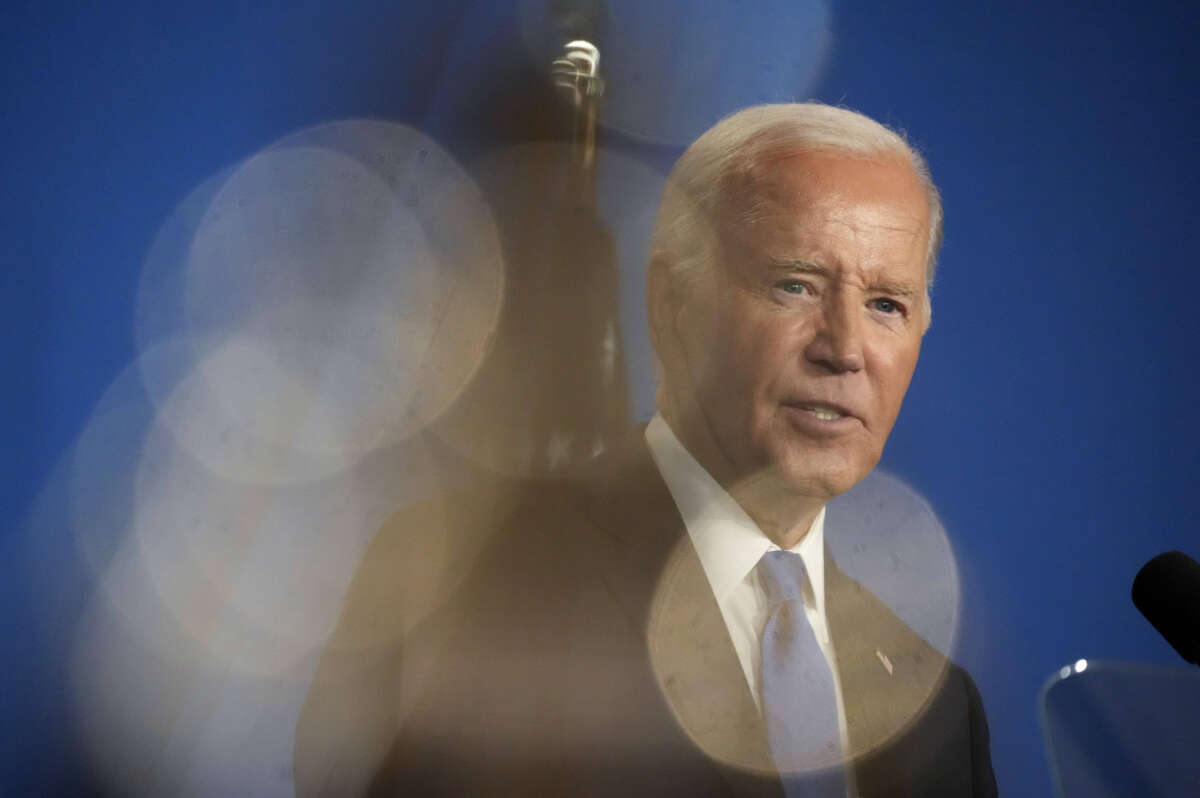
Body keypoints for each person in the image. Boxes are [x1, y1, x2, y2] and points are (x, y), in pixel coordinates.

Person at [295, 103, 997, 797]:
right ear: (671, 303)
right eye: (796, 285)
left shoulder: (939, 710)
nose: (844, 349)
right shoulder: (468, 581)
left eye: (886, 305)